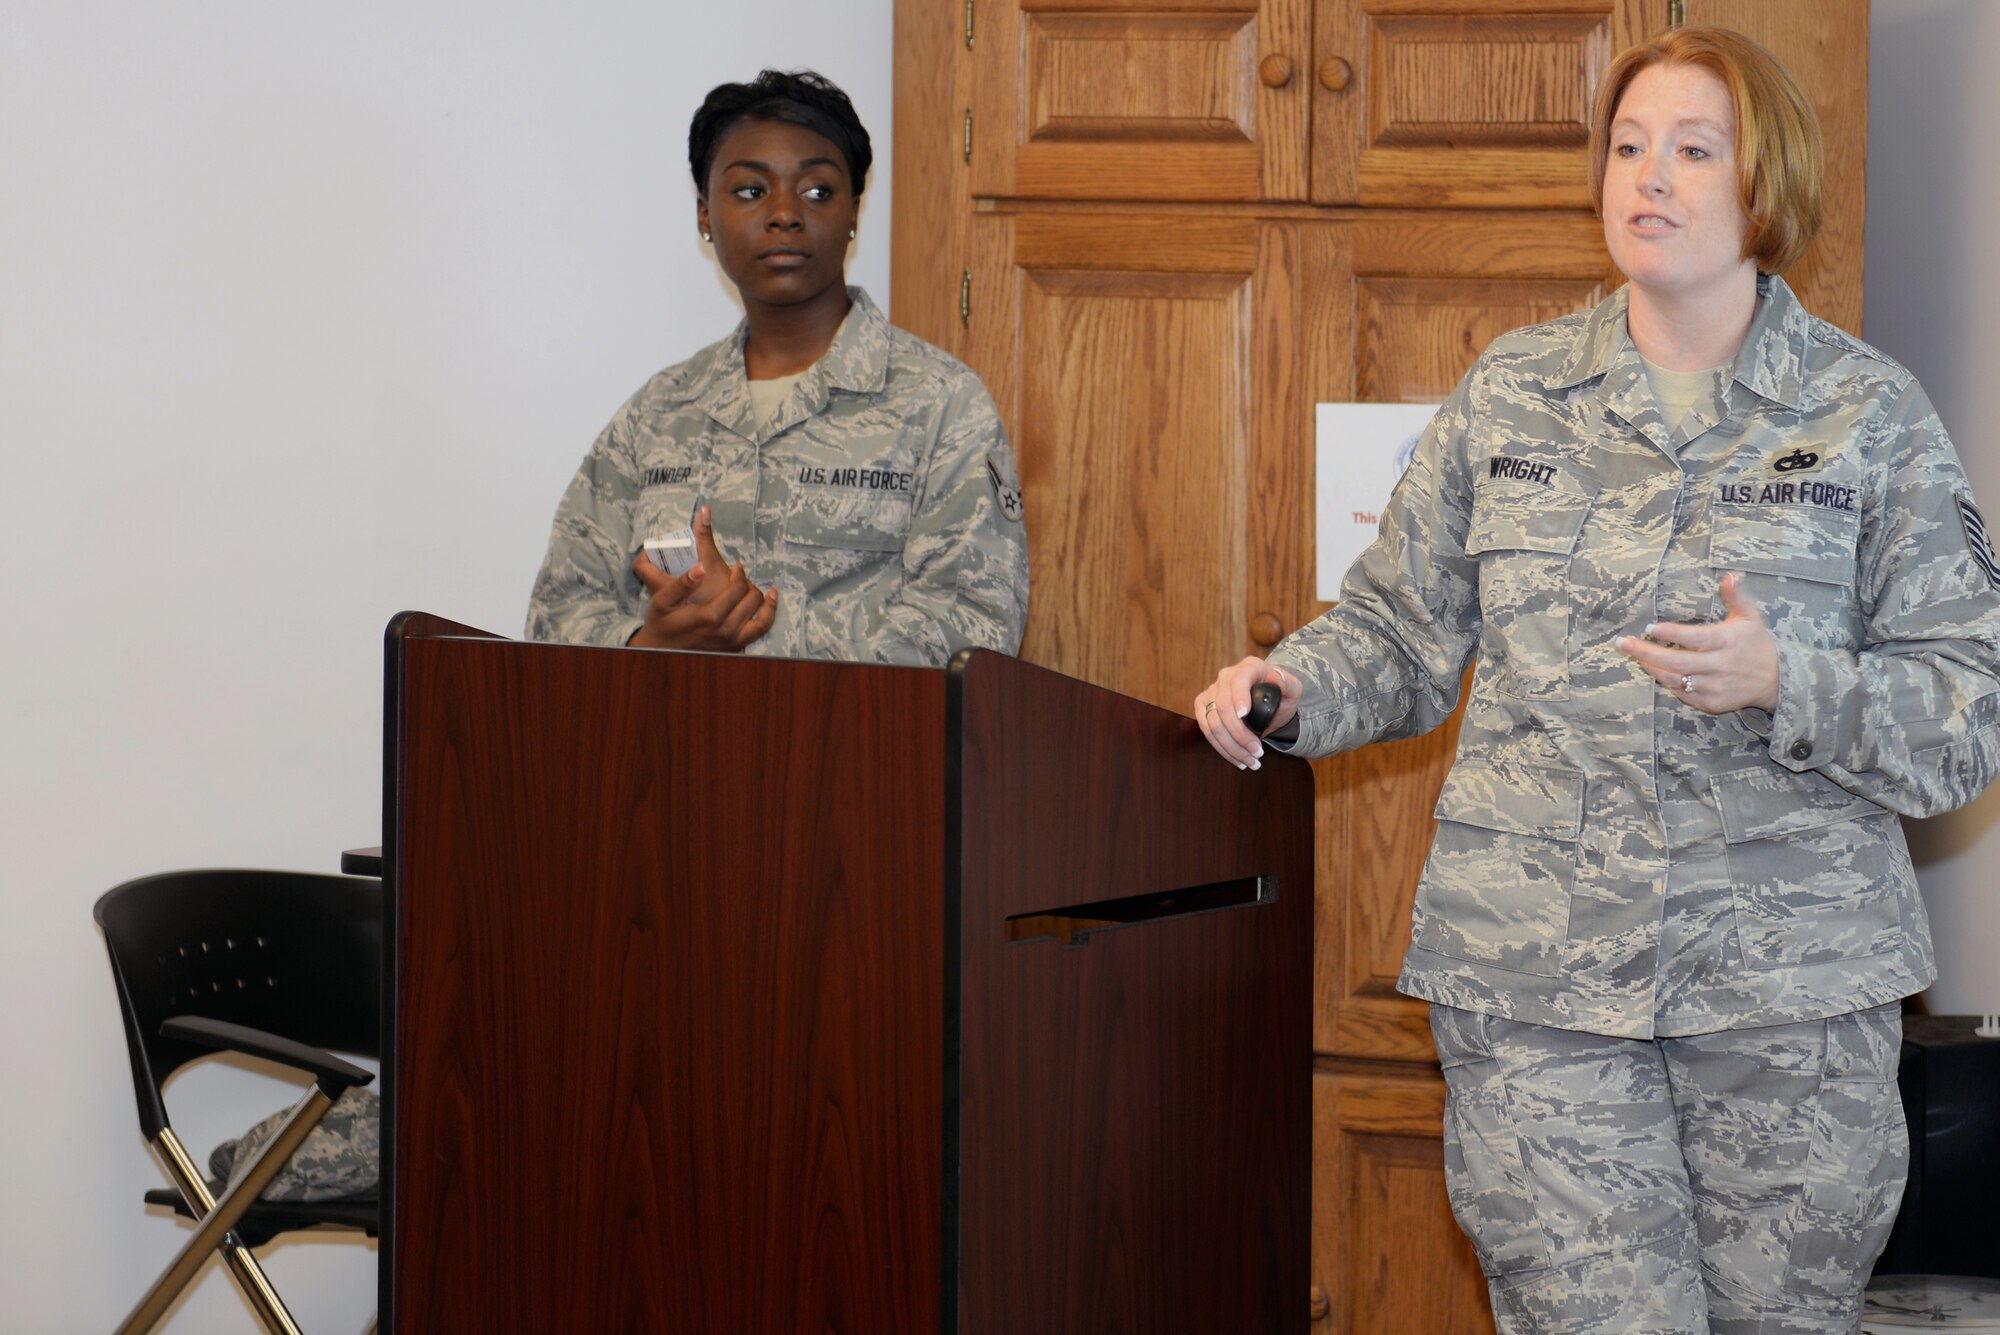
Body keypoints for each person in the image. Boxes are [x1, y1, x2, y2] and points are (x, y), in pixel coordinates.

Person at [1196, 27, 2000, 1335]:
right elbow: (1402, 627)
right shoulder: (1513, 393)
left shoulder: (1870, 413)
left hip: (1788, 1010)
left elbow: (1966, 718)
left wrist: (1785, 679)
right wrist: (1290, 686)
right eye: (1630, 147)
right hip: (1539, 999)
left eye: (1694, 149)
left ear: (1766, 184)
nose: (1653, 176)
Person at [527, 69, 1029, 664]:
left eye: (817, 190)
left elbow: (978, 628)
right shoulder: (658, 415)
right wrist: (649, 642)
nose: (785, 213)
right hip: (677, 752)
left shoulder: (941, 404)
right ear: (704, 216)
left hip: (861, 753)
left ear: (853, 214)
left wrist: (752, 626)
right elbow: (555, 612)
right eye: (750, 191)